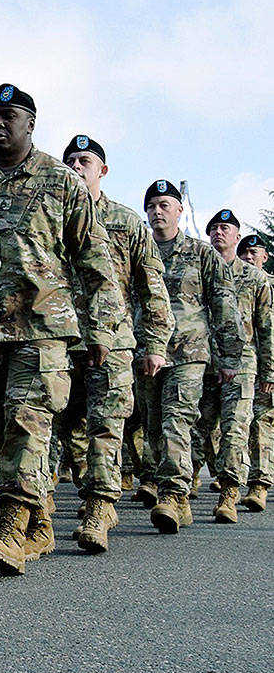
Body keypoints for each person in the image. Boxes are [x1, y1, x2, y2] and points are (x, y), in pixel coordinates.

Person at [0, 86, 122, 577]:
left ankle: (12, 524)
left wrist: (101, 328)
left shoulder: (60, 181)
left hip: (43, 325)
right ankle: (40, 523)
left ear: (30, 124)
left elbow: (97, 264)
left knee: (27, 418)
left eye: (9, 116)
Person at [62, 135, 173, 553]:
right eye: (70, 160)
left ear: (102, 170)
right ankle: (67, 496)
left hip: (114, 341)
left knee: (107, 424)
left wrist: (155, 344)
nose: (76, 166)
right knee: (60, 427)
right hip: (60, 336)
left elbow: (152, 289)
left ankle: (100, 506)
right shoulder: (52, 214)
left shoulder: (126, 223)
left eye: (85, 160)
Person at [138, 181, 242, 534]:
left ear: (179, 210)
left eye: (165, 204)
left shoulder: (201, 253)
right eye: (152, 205)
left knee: (176, 421)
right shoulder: (140, 249)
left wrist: (229, 357)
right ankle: (173, 491)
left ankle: (173, 493)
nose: (158, 211)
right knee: (152, 426)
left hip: (189, 352)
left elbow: (224, 305)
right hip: (146, 351)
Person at [193, 210, 272, 521]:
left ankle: (229, 492)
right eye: (213, 228)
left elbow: (266, 328)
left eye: (225, 228)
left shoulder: (254, 278)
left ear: (236, 236)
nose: (218, 233)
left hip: (242, 365)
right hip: (203, 362)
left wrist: (269, 372)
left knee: (235, 430)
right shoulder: (198, 270)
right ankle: (185, 487)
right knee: (197, 428)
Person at [238, 234, 274, 510]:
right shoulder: (239, 284)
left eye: (253, 252)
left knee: (262, 423)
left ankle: (260, 483)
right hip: (251, 363)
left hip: (269, 364)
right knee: (257, 422)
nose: (248, 257)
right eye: (244, 253)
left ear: (265, 256)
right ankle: (256, 482)